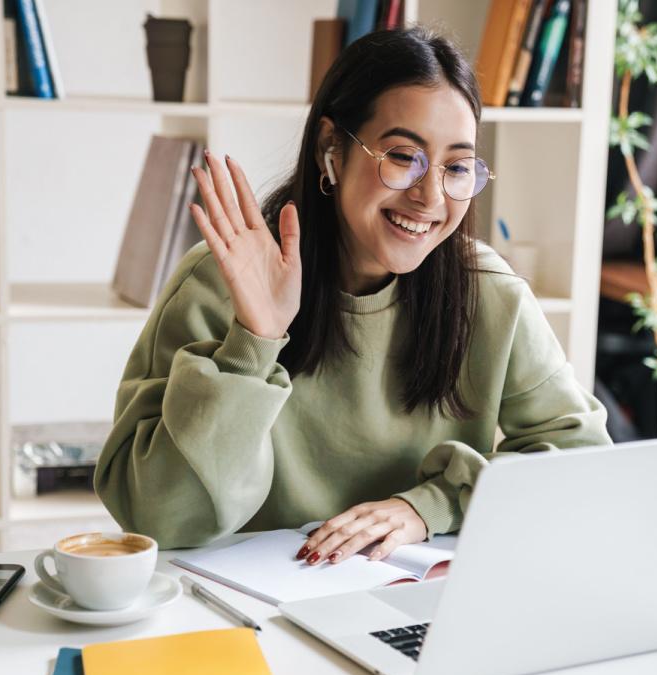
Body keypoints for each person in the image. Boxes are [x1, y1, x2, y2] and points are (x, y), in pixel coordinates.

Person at [94, 27, 611, 567]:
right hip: (250, 608)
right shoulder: (219, 280)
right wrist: (255, 341)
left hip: (419, 598)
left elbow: (584, 464)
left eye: (456, 166)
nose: (430, 196)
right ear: (331, 150)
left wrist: (431, 506)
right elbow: (159, 519)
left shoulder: (487, 291)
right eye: (402, 156)